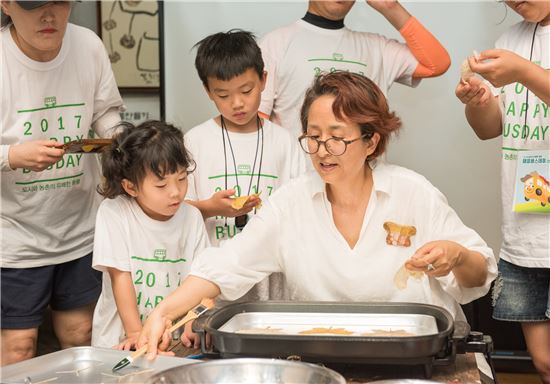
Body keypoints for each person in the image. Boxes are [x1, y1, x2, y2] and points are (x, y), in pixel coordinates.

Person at [137, 71, 497, 358]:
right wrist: (163, 313)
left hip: (412, 356)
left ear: (371, 141)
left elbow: (478, 272)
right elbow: (226, 265)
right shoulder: (290, 202)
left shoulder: (413, 192)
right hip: (318, 358)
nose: (323, 151)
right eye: (313, 137)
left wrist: (457, 255)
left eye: (337, 137)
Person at [0, 1, 123, 365]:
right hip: (15, 236)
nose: (49, 15)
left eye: (60, 2)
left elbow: (107, 113)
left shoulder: (89, 46)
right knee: (18, 346)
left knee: (80, 335)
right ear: (6, 4)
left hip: (80, 227)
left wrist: (120, 141)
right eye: (35, 5)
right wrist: (12, 157)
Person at [455, 1, 550, 382]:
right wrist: (477, 102)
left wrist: (523, 72)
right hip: (525, 231)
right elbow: (489, 128)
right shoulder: (510, 40)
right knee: (543, 362)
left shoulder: (516, 59)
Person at [184, 30, 306, 302]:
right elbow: (174, 211)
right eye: (223, 95)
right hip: (212, 277)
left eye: (246, 90)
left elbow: (302, 210)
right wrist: (210, 208)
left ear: (264, 80)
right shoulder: (194, 141)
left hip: (271, 278)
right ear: (208, 91)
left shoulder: (285, 142)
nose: (237, 103)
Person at [90, 121, 209, 349]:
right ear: (131, 187)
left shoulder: (191, 217)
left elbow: (200, 278)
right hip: (121, 341)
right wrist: (135, 332)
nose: (176, 191)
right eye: (161, 185)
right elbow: (120, 277)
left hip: (171, 342)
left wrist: (191, 321)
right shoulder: (114, 213)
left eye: (182, 178)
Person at [259, 0, 451, 141]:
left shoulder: (378, 48)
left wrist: (390, 7)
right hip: (298, 186)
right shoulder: (275, 44)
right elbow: (257, 124)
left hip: (365, 186)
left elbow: (437, 64)